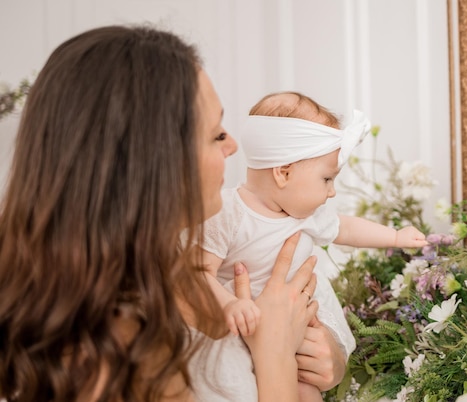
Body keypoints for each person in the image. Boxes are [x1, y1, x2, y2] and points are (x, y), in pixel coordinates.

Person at [0, 25, 345, 402]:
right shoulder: (115, 342)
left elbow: (320, 325)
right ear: (154, 165)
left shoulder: (187, 261)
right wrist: (276, 356)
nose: (232, 146)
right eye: (216, 135)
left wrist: (326, 354)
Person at [190, 91, 430, 401]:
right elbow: (198, 272)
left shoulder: (306, 215)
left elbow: (346, 227)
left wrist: (394, 237)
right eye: (327, 179)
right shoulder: (228, 212)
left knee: (307, 391)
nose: (331, 193)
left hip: (296, 327)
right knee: (237, 387)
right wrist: (230, 304)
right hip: (238, 329)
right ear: (283, 173)